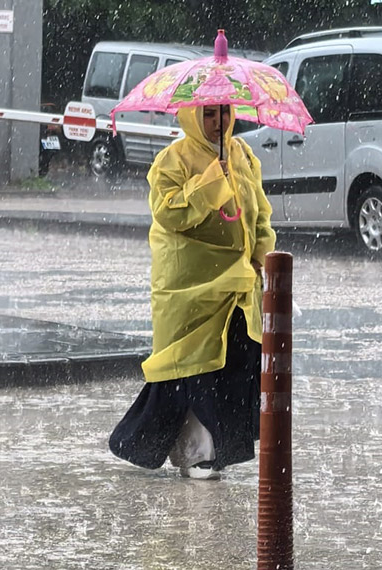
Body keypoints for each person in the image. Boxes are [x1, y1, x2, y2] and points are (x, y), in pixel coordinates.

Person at [109, 104, 276, 480]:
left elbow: (259, 215)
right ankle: (199, 452)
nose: (218, 123)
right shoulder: (171, 161)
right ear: (191, 117)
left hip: (237, 285)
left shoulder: (243, 155)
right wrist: (209, 182)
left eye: (224, 113)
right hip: (189, 288)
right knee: (192, 367)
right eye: (208, 114)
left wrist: (262, 258)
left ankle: (211, 446)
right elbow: (171, 213)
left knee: (235, 361)